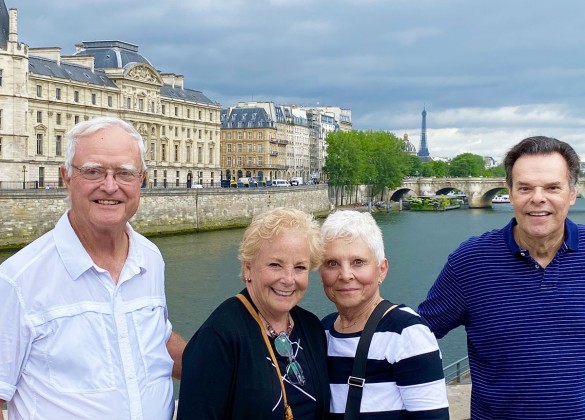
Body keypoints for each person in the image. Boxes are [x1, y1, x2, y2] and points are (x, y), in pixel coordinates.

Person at [0, 116, 186, 420]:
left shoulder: (150, 257)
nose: (110, 186)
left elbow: (155, 338)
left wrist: (235, 367)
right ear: (66, 176)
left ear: (142, 179)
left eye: (124, 173)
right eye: (93, 171)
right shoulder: (17, 281)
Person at [418, 136, 585, 419]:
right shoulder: (471, 263)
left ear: (572, 193)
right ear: (509, 193)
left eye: (552, 187)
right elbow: (417, 335)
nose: (538, 198)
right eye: (525, 188)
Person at [177, 207, 330, 419]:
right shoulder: (219, 337)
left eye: (300, 267)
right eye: (275, 265)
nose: (288, 279)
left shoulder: (311, 328)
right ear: (248, 268)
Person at [320, 210, 449, 419]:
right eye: (332, 263)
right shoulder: (322, 331)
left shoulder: (406, 332)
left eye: (358, 262)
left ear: (382, 270)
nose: (345, 275)